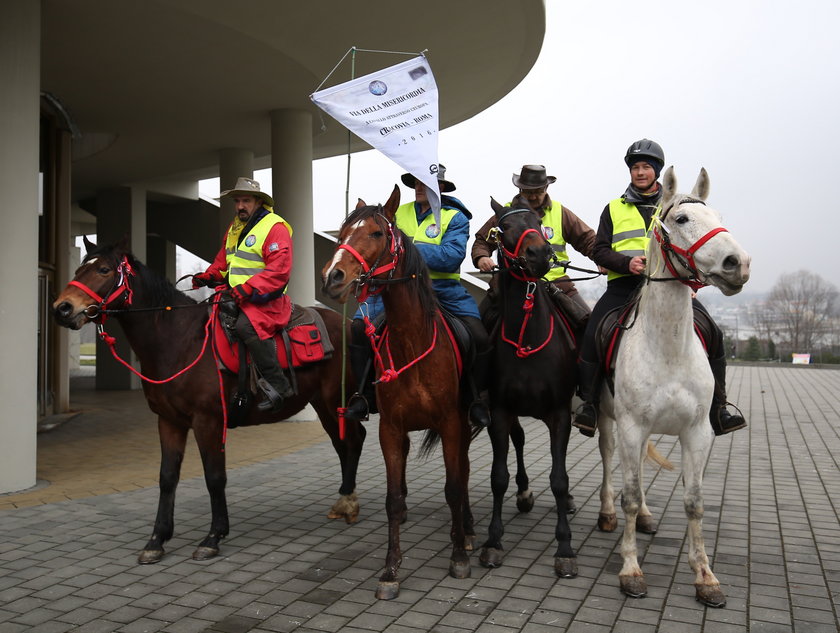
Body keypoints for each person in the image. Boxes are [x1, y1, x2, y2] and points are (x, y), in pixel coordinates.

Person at [573, 139, 747, 437]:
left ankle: (719, 407)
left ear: (656, 172)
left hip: (671, 287)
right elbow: (599, 250)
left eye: (646, 167)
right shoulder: (613, 208)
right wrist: (625, 264)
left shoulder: (678, 208)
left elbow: (693, 249)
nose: (640, 173)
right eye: (635, 167)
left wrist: (694, 284)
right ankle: (588, 403)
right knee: (593, 330)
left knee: (714, 333)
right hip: (624, 285)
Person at [344, 165, 492, 427]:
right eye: (416, 182)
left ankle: (473, 399)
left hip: (442, 291)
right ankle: (365, 395)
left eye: (426, 183)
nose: (420, 187)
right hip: (396, 288)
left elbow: (451, 257)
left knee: (478, 335)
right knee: (357, 329)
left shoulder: (455, 217)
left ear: (441, 188)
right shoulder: (396, 214)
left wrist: (407, 249)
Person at [192, 176, 294, 413]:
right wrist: (209, 276)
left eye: (245, 200)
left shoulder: (275, 227)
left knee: (245, 327)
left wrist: (248, 288)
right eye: (237, 201)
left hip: (265, 299)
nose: (240, 206)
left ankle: (279, 385)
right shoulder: (234, 228)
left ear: (258, 202)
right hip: (236, 296)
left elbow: (279, 269)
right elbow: (223, 262)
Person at [471, 164, 597, 328]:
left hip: (557, 283)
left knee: (590, 329)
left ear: (546, 187)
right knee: (477, 331)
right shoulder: (506, 213)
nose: (532, 197)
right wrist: (482, 257)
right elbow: (482, 240)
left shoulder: (560, 212)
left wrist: (601, 259)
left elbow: (587, 239)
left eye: (537, 191)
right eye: (528, 192)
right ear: (520, 190)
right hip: (511, 285)